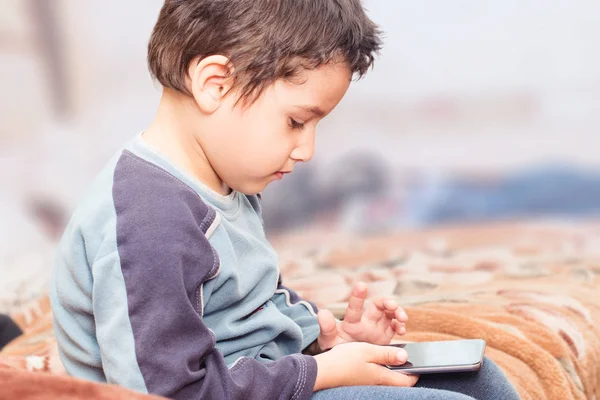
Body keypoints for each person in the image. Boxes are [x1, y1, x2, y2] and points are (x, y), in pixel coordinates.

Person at [50, 1, 520, 399]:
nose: (308, 150)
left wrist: (327, 339)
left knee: (480, 379)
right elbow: (164, 390)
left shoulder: (224, 180)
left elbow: (245, 304)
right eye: (296, 122)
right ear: (215, 83)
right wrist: (321, 373)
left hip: (259, 381)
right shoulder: (149, 218)